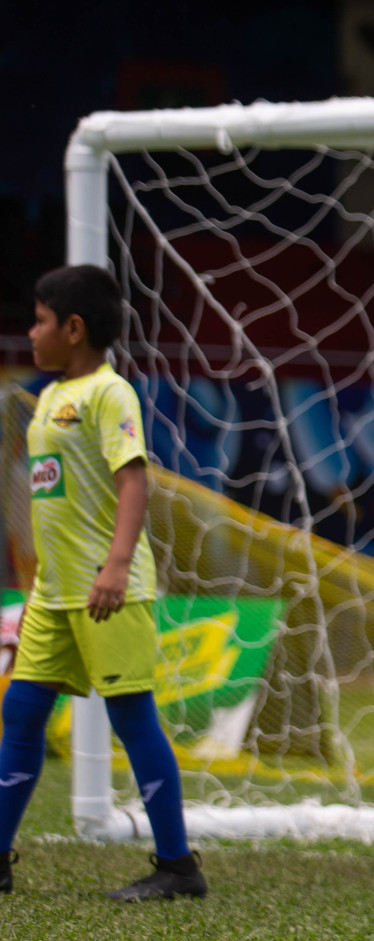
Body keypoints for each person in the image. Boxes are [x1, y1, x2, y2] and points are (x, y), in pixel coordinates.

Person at [0, 265, 206, 901]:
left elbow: (132, 481)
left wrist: (117, 565)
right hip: (55, 597)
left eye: (39, 321)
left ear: (74, 328)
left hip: (106, 591)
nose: (31, 333)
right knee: (20, 712)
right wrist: (35, 584)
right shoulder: (48, 403)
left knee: (132, 718)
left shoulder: (109, 395)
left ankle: (178, 867)